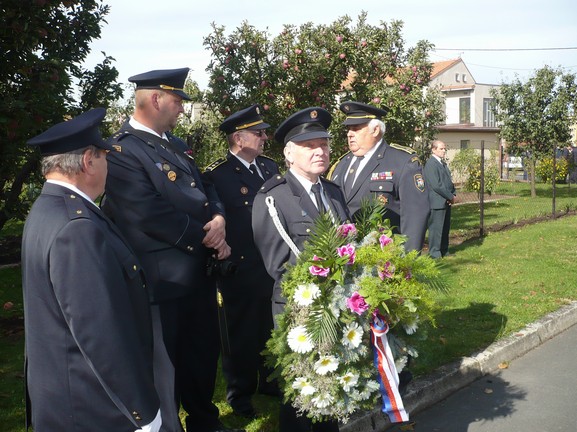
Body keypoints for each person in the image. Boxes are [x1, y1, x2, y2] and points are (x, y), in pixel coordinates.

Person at [102, 68, 242, 432]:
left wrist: (219, 217)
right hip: (160, 280)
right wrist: (206, 236)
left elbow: (206, 187)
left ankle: (204, 421)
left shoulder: (175, 145)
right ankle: (167, 427)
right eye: (178, 101)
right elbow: (148, 211)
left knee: (201, 353)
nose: (182, 109)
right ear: (155, 100)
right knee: (164, 365)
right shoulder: (120, 150)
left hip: (197, 273)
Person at [22, 108, 161, 432]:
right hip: (93, 408)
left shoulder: (47, 208)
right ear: (88, 161)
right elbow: (100, 333)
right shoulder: (77, 227)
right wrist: (141, 412)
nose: (107, 165)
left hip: (64, 397)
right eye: (105, 157)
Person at [252, 107, 350, 432]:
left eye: (323, 143)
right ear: (289, 152)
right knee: (301, 395)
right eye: (310, 146)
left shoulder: (333, 193)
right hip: (300, 312)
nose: (320, 151)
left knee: (331, 392)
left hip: (337, 309)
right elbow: (280, 264)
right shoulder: (273, 198)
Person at [202, 105, 280, 418]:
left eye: (263, 131)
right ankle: (240, 391)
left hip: (271, 263)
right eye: (257, 132)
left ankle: (270, 380)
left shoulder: (270, 167)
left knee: (271, 326)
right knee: (241, 332)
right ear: (238, 138)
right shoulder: (217, 175)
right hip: (241, 266)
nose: (264, 137)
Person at [327, 101, 429, 252]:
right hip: (346, 260)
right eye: (348, 129)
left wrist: (406, 262)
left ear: (375, 130)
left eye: (356, 129)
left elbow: (415, 216)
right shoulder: (341, 164)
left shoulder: (402, 162)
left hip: (384, 260)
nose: (349, 134)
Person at [423, 140, 456, 258]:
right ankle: (434, 253)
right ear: (433, 149)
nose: (444, 151)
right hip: (436, 202)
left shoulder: (442, 163)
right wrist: (450, 196)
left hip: (445, 201)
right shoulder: (431, 164)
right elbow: (436, 185)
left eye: (444, 149)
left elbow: (448, 181)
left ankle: (444, 250)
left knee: (445, 228)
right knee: (436, 230)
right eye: (441, 149)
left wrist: (453, 193)